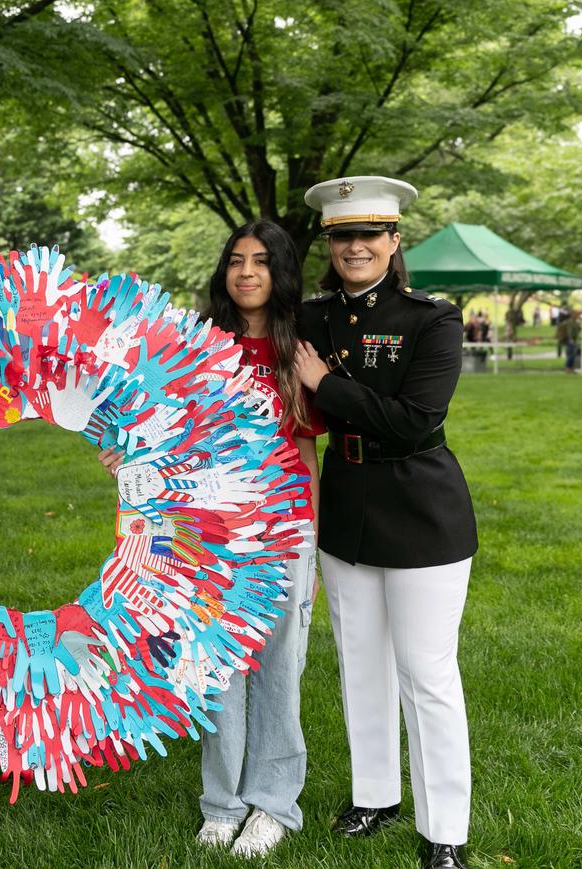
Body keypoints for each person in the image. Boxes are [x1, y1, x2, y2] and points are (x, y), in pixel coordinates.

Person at [295, 176, 478, 869]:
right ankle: (374, 797)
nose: (355, 246)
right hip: (346, 507)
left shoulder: (433, 319)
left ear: (394, 240)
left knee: (426, 673)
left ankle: (445, 831)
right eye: (342, 235)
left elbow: (414, 420)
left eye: (369, 234)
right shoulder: (312, 319)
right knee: (360, 665)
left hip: (421, 510)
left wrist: (327, 385)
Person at [187, 221, 324, 857]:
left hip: (283, 528)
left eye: (262, 261)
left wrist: (310, 540)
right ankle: (222, 804)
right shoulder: (198, 346)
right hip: (212, 531)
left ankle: (273, 804)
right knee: (218, 667)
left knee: (278, 669)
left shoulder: (298, 349)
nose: (247, 272)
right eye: (237, 260)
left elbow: (305, 449)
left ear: (280, 272)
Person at [556, 309, 581, 373]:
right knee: (571, 354)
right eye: (577, 315)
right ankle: (567, 367)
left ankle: (570, 368)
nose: (578, 316)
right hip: (569, 340)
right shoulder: (570, 322)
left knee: (572, 354)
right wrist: (570, 339)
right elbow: (569, 331)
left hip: (572, 340)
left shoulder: (575, 322)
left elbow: (578, 330)